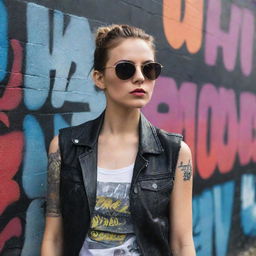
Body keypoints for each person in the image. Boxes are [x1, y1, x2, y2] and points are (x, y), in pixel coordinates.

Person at [41, 24, 195, 256]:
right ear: (99, 78)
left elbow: (182, 242)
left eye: (149, 69)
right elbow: (53, 238)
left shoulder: (175, 152)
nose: (140, 78)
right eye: (125, 69)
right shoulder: (64, 147)